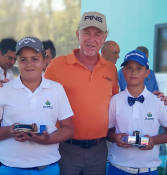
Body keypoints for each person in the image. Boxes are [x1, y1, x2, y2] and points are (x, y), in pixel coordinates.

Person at [44, 11, 119, 175]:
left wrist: (151, 98)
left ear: (104, 38)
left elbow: (118, 102)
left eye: (97, 34)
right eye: (86, 33)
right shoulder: (57, 65)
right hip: (66, 149)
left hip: (98, 151)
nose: (91, 39)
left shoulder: (111, 69)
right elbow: (36, 93)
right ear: (78, 34)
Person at [0, 37, 74, 175]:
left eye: (35, 59)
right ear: (17, 62)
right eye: (23, 60)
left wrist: (48, 140)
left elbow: (68, 128)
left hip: (48, 168)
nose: (29, 64)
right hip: (11, 169)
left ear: (45, 61)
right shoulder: (3, 89)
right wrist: (10, 131)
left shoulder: (56, 89)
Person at [107, 50, 167, 175]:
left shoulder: (157, 101)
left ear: (147, 73)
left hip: (148, 170)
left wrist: (154, 140)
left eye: (139, 68)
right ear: (123, 72)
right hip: (118, 168)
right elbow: (107, 131)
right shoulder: (115, 101)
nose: (134, 72)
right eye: (129, 68)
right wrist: (115, 137)